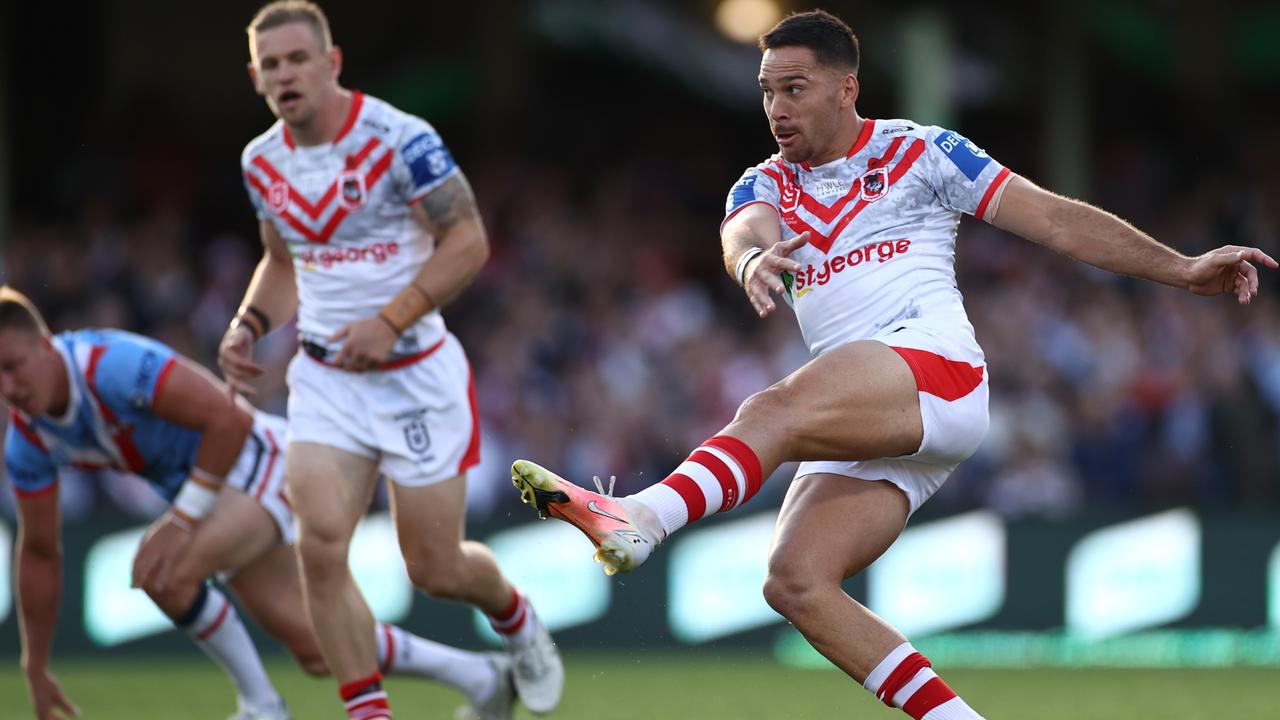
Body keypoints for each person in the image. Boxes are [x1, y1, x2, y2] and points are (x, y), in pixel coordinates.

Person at [509, 9, 1277, 720]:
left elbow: (1049, 217)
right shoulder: (766, 182)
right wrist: (748, 266)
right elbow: (742, 231)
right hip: (874, 416)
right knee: (795, 583)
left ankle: (642, 516)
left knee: (772, 411)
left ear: (847, 89)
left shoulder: (922, 150)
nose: (777, 108)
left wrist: (1181, 267)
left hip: (933, 368)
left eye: (795, 89)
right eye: (767, 91)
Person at [218, 3, 563, 719]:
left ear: (331, 62)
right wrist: (249, 324)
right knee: (318, 548)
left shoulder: (400, 139)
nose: (286, 74)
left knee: (436, 568)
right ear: (256, 77)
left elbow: (467, 240)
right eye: (271, 65)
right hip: (324, 381)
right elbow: (281, 261)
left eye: (297, 59)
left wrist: (389, 320)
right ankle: (369, 713)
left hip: (415, 375)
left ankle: (517, 621)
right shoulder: (261, 161)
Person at [1, 287, 516, 720]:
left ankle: (261, 706)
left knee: (162, 572)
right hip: (217, 494)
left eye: (12, 366)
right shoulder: (29, 441)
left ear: (45, 345)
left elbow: (230, 419)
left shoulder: (109, 366)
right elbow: (41, 551)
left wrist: (181, 520)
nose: (8, 388)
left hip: (262, 462)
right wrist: (36, 662)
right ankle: (481, 675)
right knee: (317, 647)